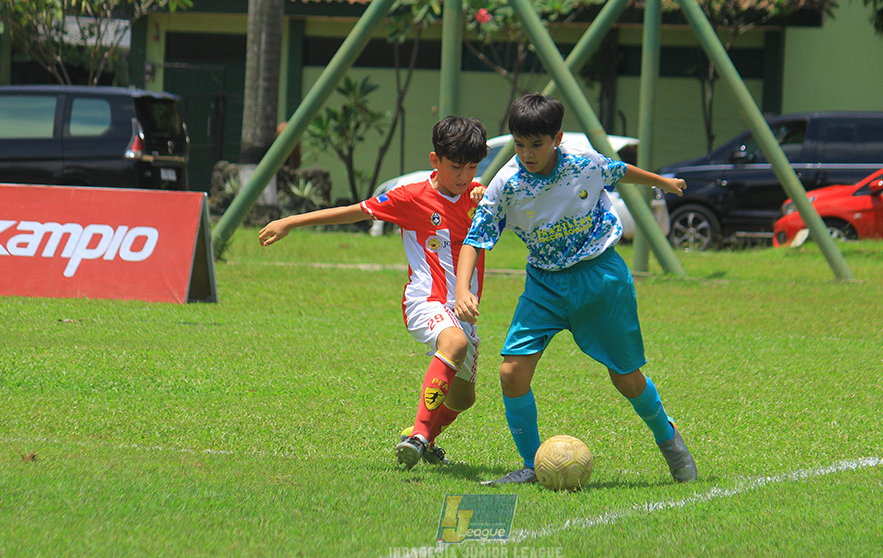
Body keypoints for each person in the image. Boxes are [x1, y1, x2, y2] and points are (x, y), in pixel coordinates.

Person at [454, 93, 697, 486]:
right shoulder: (506, 184)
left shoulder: (583, 162)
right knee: (512, 372)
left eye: (536, 144)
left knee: (627, 379)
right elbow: (475, 238)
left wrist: (661, 182)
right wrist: (461, 288)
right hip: (544, 284)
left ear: (557, 138)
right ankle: (532, 465)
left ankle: (670, 442)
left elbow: (618, 171)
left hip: (600, 278)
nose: (527, 154)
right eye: (519, 144)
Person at [259, 116, 489, 469]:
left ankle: (424, 437)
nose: (464, 176)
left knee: (463, 399)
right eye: (456, 167)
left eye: (471, 167)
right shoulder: (411, 197)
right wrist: (290, 221)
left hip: (464, 312)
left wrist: (486, 194)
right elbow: (354, 212)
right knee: (454, 343)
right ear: (435, 160)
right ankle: (418, 437)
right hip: (426, 301)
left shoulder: (479, 198)